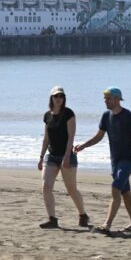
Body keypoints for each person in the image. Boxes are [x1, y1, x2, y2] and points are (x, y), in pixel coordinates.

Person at [74, 87, 131, 234]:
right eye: (105, 98)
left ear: (117, 99)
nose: (105, 101)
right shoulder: (106, 116)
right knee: (125, 192)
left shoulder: (129, 117)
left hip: (127, 160)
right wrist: (84, 145)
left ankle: (107, 225)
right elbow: (99, 136)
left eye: (108, 98)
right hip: (115, 161)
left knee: (115, 188)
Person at [37, 86, 89, 229]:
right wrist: (41, 157)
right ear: (51, 98)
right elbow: (46, 138)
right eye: (56, 96)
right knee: (46, 186)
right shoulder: (47, 116)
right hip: (51, 156)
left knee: (71, 189)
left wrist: (67, 156)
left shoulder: (68, 113)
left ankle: (83, 215)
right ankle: (52, 219)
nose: (59, 99)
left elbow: (71, 137)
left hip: (67, 156)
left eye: (61, 96)